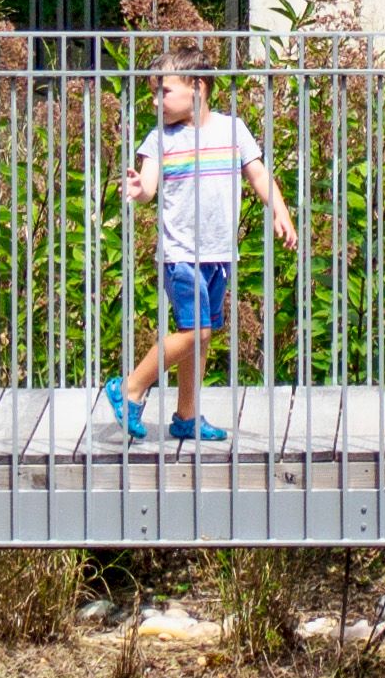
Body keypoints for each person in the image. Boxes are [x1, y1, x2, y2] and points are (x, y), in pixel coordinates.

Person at [109, 61, 293, 444]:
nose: (156, 100)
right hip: (181, 254)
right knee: (196, 332)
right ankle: (130, 389)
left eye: (165, 91)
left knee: (201, 337)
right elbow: (148, 188)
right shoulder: (159, 139)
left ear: (198, 86)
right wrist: (137, 190)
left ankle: (186, 417)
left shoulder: (232, 130)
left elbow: (258, 174)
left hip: (219, 255)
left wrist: (280, 211)